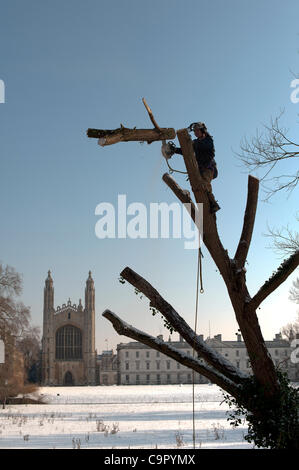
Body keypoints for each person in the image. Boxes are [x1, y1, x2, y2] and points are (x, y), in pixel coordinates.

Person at [163, 122, 220, 213]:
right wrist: (175, 150)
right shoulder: (196, 142)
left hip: (209, 168)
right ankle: (206, 206)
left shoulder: (208, 140)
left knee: (204, 183)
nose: (195, 133)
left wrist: (191, 143)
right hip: (199, 169)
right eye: (195, 131)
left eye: (197, 130)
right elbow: (186, 150)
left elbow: (205, 147)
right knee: (196, 186)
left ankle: (213, 204)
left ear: (202, 130)